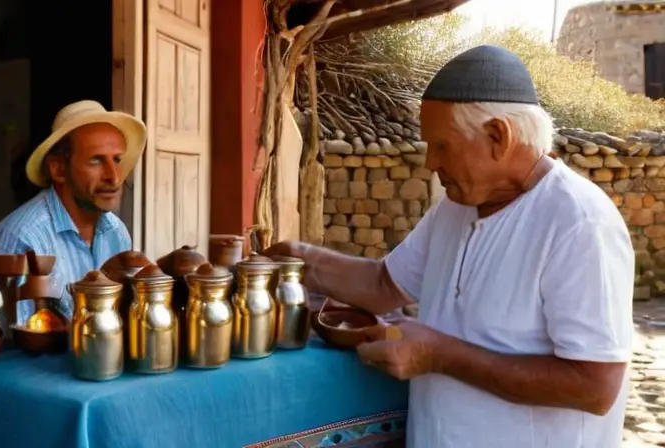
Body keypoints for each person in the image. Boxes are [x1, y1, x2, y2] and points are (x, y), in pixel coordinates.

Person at [265, 45, 634, 447]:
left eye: (442, 146)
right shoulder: (456, 209)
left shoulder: (578, 223)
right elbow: (383, 285)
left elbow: (595, 387)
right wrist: (296, 260)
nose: (431, 165)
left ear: (498, 135)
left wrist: (439, 355)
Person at [0, 100, 146, 323]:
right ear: (57, 169)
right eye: (96, 160)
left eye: (117, 160)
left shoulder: (117, 232)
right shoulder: (23, 239)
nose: (114, 177)